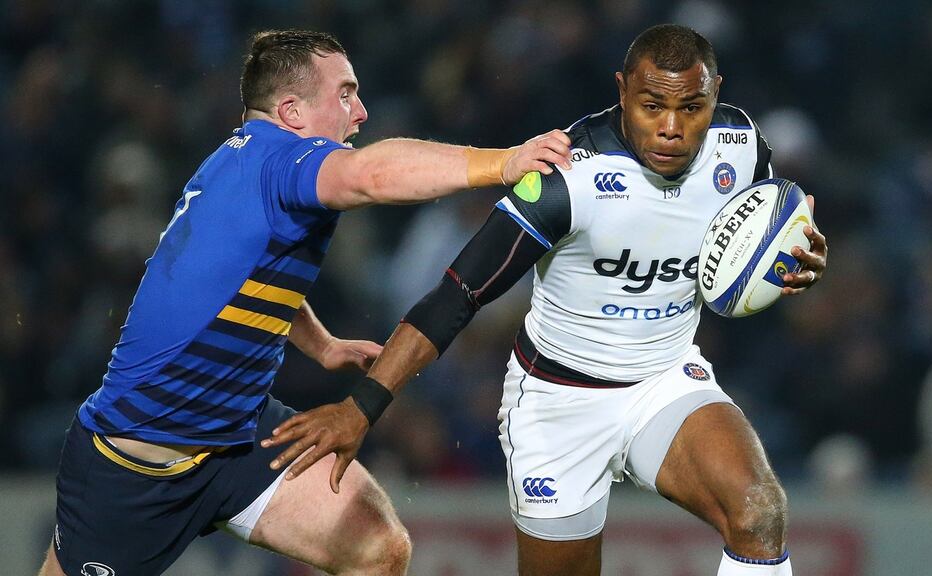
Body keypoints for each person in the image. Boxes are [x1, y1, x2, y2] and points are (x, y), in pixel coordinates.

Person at [265, 24, 829, 576]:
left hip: (665, 379)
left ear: (716, 95)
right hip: (559, 404)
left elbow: (765, 234)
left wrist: (797, 260)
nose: (672, 128)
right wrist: (361, 407)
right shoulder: (566, 175)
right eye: (652, 106)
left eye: (692, 108)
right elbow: (457, 295)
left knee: (759, 515)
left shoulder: (744, 148)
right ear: (622, 91)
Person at [39, 29, 571, 576]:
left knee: (375, 548)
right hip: (138, 463)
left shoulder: (238, 165)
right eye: (345, 93)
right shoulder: (279, 161)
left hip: (238, 434)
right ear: (291, 112)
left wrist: (320, 344)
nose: (360, 112)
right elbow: (372, 175)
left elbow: (243, 275)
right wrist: (504, 162)